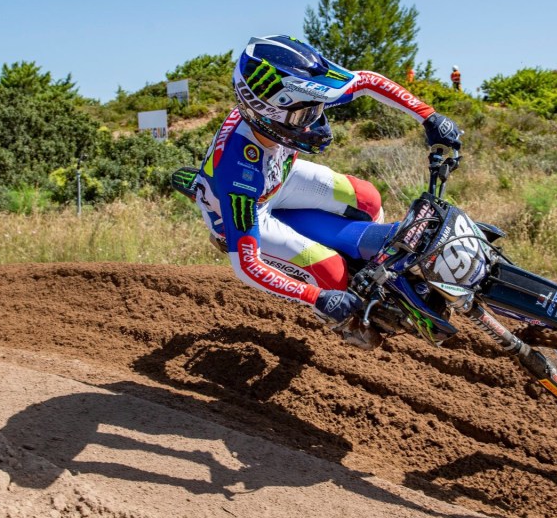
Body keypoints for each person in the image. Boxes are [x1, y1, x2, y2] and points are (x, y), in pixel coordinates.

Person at [185, 35, 462, 346]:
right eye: (304, 117)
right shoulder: (237, 170)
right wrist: (317, 297)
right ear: (265, 117)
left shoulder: (296, 94)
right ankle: (345, 320)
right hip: (249, 207)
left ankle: (366, 264)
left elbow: (366, 80)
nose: (314, 122)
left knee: (368, 198)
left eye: (316, 109)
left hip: (279, 178)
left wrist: (428, 116)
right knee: (331, 273)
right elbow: (247, 266)